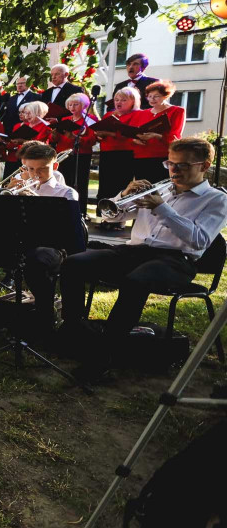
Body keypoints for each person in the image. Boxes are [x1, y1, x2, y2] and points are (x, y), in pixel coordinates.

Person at [59, 137, 227, 381]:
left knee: (135, 281)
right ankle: (74, 330)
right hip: (133, 252)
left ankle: (104, 354)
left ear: (204, 165)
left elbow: (199, 240)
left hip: (176, 260)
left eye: (183, 165)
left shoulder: (216, 199)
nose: (174, 170)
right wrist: (124, 195)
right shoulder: (161, 190)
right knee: (73, 263)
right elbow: (111, 218)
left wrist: (162, 208)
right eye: (171, 163)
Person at [0, 144, 79, 332]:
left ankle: (45, 317)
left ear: (55, 167)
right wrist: (8, 197)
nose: (35, 175)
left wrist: (34, 201)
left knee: (36, 262)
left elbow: (66, 232)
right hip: (20, 242)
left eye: (42, 169)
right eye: (31, 169)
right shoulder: (19, 186)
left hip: (52, 247)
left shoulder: (65, 193)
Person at [95, 87, 144, 205]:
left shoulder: (138, 114)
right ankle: (104, 216)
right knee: (105, 185)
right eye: (116, 100)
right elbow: (101, 131)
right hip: (107, 152)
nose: (118, 102)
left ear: (134, 101)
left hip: (125, 153)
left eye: (123, 100)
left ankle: (119, 219)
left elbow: (133, 134)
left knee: (121, 185)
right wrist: (99, 135)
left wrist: (110, 133)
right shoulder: (108, 115)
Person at [51, 93, 98, 215]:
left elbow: (92, 139)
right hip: (63, 154)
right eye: (70, 105)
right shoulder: (65, 120)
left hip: (81, 154)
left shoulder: (89, 119)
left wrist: (75, 137)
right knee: (64, 181)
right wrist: (54, 135)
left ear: (84, 106)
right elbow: (57, 139)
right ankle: (63, 209)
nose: (72, 107)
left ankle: (80, 211)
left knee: (80, 182)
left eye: (76, 104)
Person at [132, 80, 185, 183]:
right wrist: (135, 140)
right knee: (142, 191)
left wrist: (156, 136)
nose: (152, 99)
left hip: (162, 157)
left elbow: (175, 137)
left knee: (160, 191)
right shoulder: (141, 114)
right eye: (149, 96)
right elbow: (133, 133)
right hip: (141, 157)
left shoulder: (177, 111)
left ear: (166, 96)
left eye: (156, 96)